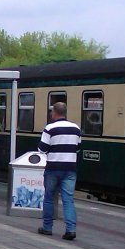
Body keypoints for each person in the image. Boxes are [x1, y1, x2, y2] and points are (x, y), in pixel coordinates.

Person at [37, 101, 81, 240]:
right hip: (70, 169)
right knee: (68, 200)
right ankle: (71, 230)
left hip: (53, 168)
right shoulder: (76, 128)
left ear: (54, 112)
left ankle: (47, 228)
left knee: (49, 198)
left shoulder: (50, 128)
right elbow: (78, 148)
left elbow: (41, 149)